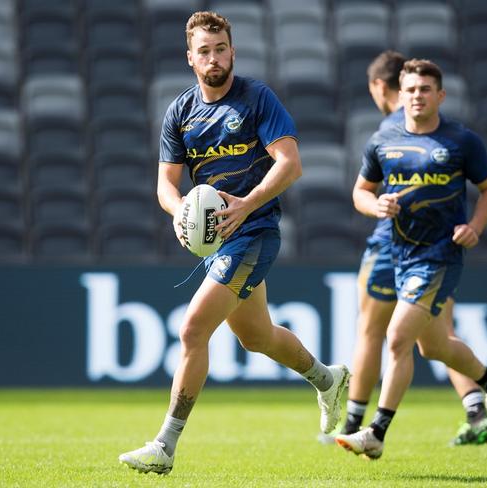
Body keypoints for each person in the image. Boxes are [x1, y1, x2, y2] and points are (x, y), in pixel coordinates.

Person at [118, 11, 350, 475]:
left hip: (255, 231)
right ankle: (329, 379)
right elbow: (165, 185)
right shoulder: (181, 112)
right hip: (219, 241)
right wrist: (178, 211)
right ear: (191, 58)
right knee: (256, 336)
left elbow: (290, 164)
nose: (213, 58)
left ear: (232, 51)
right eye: (203, 51)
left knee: (192, 330)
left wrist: (246, 203)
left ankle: (165, 445)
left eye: (220, 48)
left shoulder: (256, 98)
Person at [335, 59, 487, 460]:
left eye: (425, 89)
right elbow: (359, 192)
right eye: (411, 90)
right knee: (433, 347)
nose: (417, 96)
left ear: (440, 95)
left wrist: (476, 227)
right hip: (400, 252)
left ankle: (376, 432)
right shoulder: (384, 139)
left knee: (397, 337)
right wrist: (375, 205)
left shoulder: (461, 141)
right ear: (400, 95)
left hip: (440, 255)